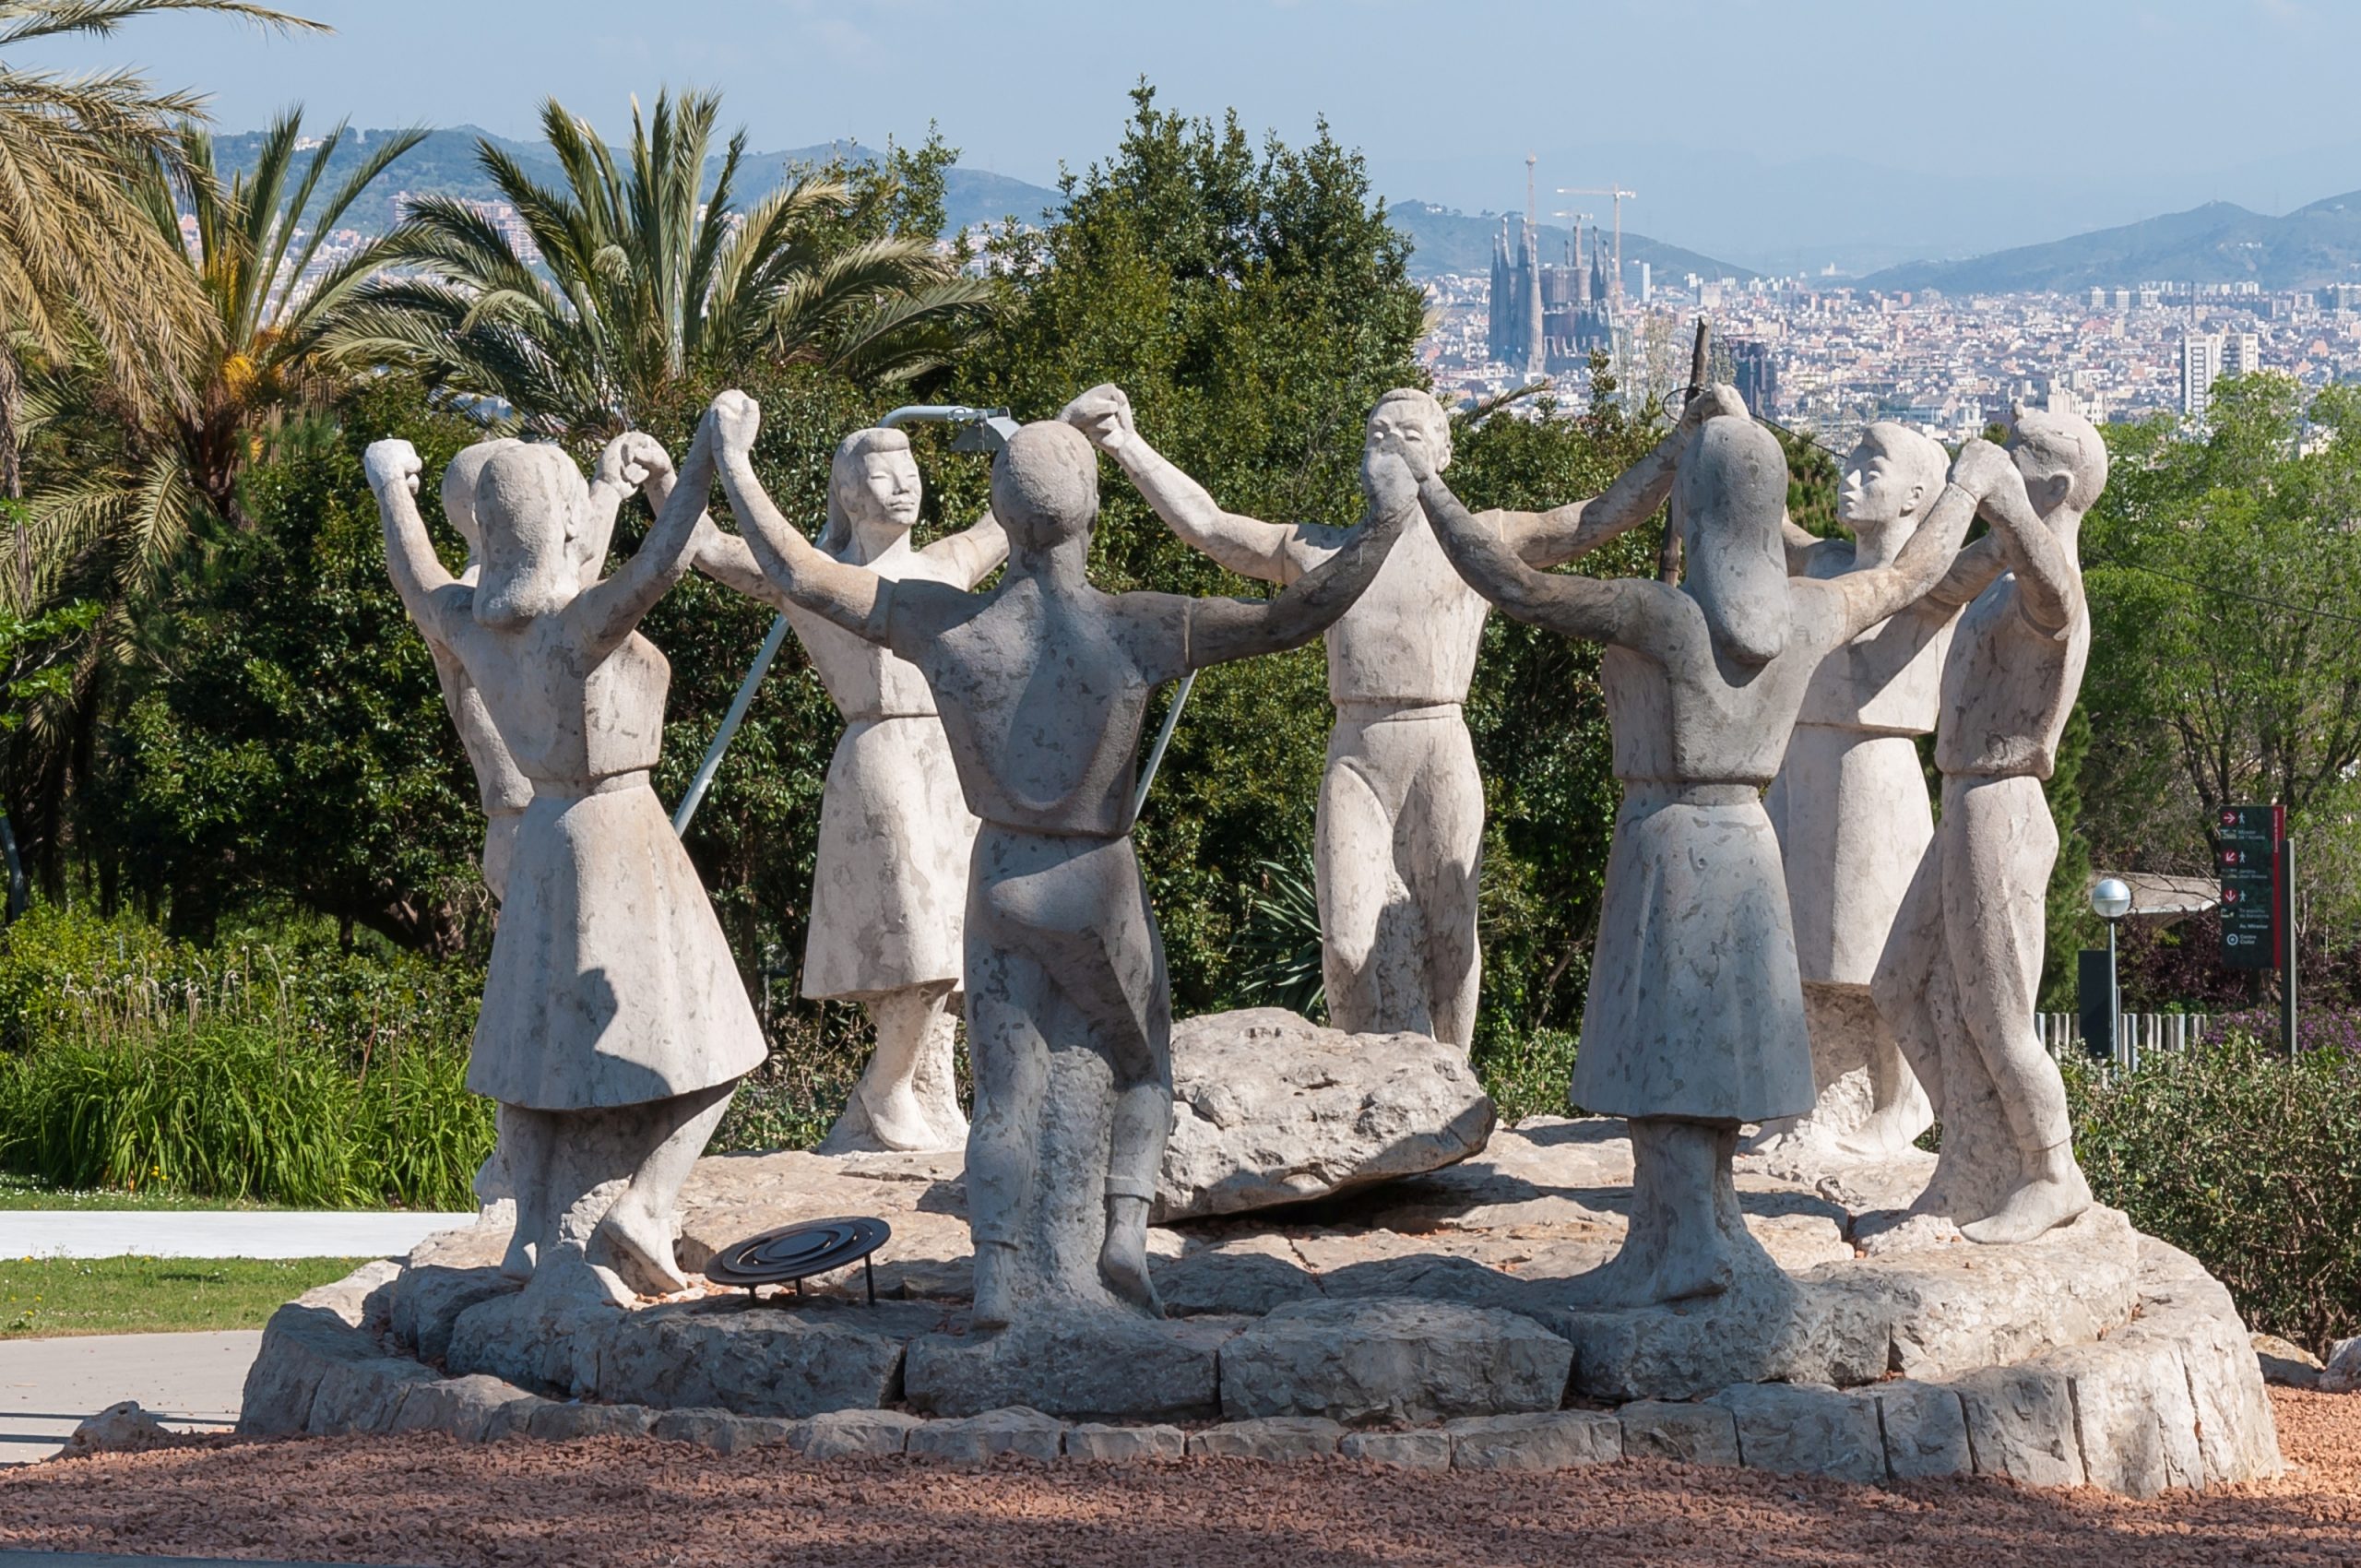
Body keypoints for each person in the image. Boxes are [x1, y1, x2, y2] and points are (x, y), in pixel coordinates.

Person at [706, 390, 1406, 1327]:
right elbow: (1293, 614)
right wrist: (1387, 521)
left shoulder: (939, 620)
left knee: (1005, 1088)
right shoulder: (1140, 623)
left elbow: (796, 566)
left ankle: (999, 1270)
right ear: (1091, 512)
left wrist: (735, 459)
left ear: (997, 515)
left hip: (996, 872)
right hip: (1093, 873)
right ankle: (1121, 1232)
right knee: (1141, 1062)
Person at [1411, 399, 2031, 1303]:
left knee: (1664, 1047)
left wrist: (1431, 493)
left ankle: (1673, 1246)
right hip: (1750, 846)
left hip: (1666, 840)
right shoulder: (1810, 608)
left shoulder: (1660, 614)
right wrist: (1969, 484)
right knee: (1722, 1046)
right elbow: (1920, 572)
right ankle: (1710, 1231)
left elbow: (1517, 588)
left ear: (1696, 514)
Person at [1062, 385, 1725, 1050]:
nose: (1394, 447)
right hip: (1357, 753)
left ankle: (1453, 1077)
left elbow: (1594, 518)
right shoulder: (1320, 551)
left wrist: (1681, 441)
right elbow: (1210, 527)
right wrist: (1124, 442)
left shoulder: (1484, 539)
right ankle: (1361, 1077)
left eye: (1411, 434)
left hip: (1440, 744)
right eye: (1379, 436)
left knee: (1450, 937)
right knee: (1348, 945)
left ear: (1443, 450)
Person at [366, 413, 766, 1297]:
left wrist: (390, 480)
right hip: (621, 835)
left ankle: (532, 1235)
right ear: (557, 529)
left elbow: (414, 572)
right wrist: (704, 453)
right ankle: (647, 1206)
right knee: (724, 1041)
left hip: (544, 840)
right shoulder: (579, 626)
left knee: (529, 1052)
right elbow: (662, 560)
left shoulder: (471, 625)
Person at [687, 428, 1004, 1153]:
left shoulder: (946, 562)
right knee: (917, 944)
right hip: (882, 752)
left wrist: (1072, 431)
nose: (905, 484)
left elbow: (1011, 517)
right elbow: (710, 547)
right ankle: (883, 1089)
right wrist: (694, 465)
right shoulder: (815, 572)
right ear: (849, 492)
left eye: (911, 470)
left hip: (950, 763)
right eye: (885, 475)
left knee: (955, 948)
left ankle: (932, 1091)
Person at [1871, 403, 2109, 1245]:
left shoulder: (2053, 588)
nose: (2001, 463)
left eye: (2019, 459)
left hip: (2002, 807)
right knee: (1898, 986)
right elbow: (1924, 587)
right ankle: (1973, 1156)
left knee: (2000, 1015)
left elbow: (2050, 583)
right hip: (1964, 803)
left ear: (2049, 485)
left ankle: (2052, 1170)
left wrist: (1996, 494)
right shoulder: (2007, 573)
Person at [1752, 422, 1958, 1158]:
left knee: (1882, 953)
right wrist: (1739, 433)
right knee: (1795, 948)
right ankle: (1802, 1103)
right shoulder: (1829, 563)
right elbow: (1775, 529)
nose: (1847, 475)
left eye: (1870, 468)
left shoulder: (1935, 581)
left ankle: (1902, 1105)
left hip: (1877, 771)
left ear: (1914, 496)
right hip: (1802, 762)